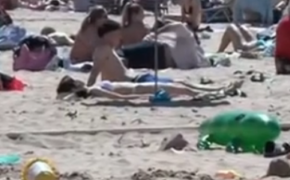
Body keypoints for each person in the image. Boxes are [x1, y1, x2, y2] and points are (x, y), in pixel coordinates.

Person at [57, 75, 241, 101]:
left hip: (140, 86)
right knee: (182, 90)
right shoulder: (93, 91)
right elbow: (117, 97)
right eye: (75, 82)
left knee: (181, 85)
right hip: (140, 89)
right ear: (75, 87)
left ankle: (217, 89)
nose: (79, 81)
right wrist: (137, 99)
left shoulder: (91, 87)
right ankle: (219, 92)